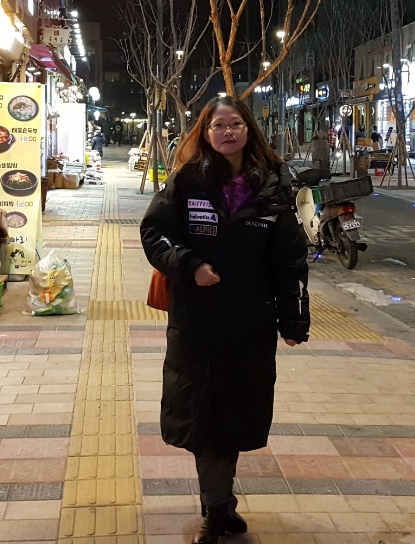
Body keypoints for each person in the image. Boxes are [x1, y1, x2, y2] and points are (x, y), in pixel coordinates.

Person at [140, 95, 310, 544]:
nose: (228, 131)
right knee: (203, 417)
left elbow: (290, 259)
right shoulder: (187, 181)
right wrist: (190, 265)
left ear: (249, 130)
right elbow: (154, 232)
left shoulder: (272, 187)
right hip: (197, 322)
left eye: (235, 123)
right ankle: (216, 509)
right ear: (206, 132)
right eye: (218, 125)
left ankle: (220, 503)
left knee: (232, 415)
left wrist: (294, 319)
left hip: (249, 323)